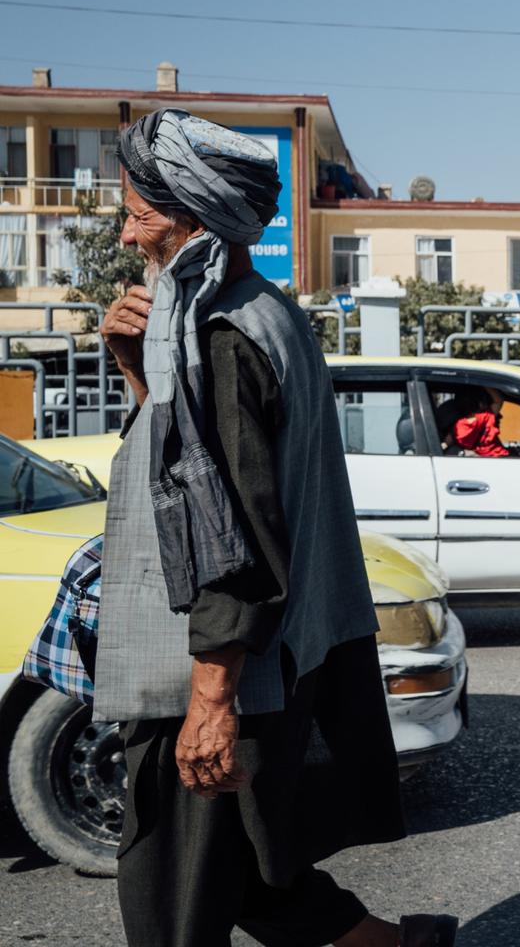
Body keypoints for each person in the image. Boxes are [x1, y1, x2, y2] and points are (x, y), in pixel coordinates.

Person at [95, 109, 455, 947]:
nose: (123, 234)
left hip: (220, 672)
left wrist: (210, 701)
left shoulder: (220, 336)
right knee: (256, 874)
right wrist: (133, 367)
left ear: (192, 218)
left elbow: (234, 535)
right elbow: (195, 472)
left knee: (171, 908)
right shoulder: (257, 313)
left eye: (139, 213)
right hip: (261, 666)